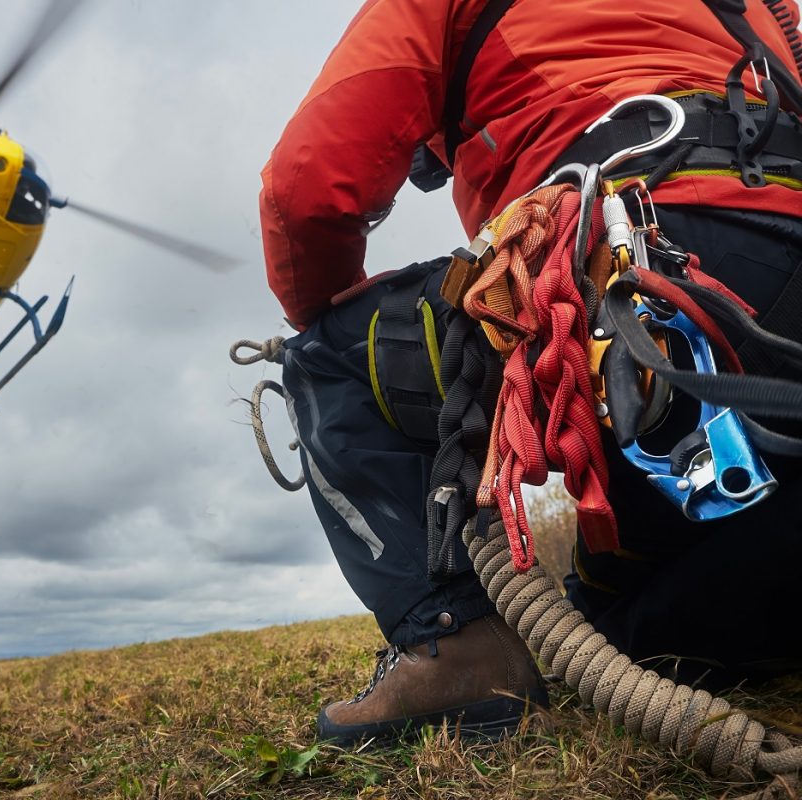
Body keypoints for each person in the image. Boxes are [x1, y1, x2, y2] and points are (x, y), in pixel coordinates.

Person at [259, 0, 802, 745]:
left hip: (630, 261)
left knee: (326, 358)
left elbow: (308, 191)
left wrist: (321, 323)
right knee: (614, 623)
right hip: (779, 274)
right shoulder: (757, 13)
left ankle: (454, 652)